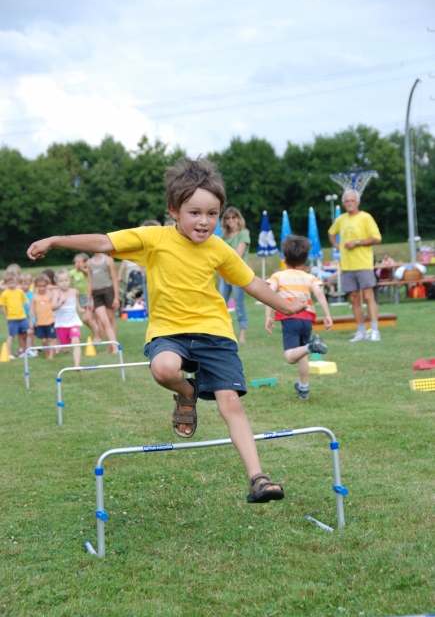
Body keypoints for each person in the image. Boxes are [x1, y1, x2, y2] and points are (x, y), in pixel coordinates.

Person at [27, 156, 309, 504]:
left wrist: (285, 306)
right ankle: (187, 394)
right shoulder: (152, 239)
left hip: (214, 333)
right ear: (174, 210)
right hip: (169, 331)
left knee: (230, 402)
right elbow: (102, 242)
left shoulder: (219, 248)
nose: (204, 222)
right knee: (163, 369)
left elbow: (250, 282)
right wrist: (55, 240)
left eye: (212, 214)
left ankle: (257, 478)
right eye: (195, 212)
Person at [266, 236, 333, 400]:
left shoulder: (279, 276)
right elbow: (319, 293)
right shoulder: (310, 277)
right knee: (301, 353)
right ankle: (304, 388)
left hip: (290, 317)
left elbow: (268, 293)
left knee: (290, 356)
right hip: (307, 319)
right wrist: (327, 315)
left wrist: (268, 315)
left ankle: (312, 346)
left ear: (285, 257)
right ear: (305, 259)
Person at [328, 189, 382, 342]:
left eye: (352, 200)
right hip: (347, 265)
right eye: (347, 201)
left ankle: (375, 330)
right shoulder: (341, 219)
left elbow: (377, 238)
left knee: (368, 296)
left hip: (363, 263)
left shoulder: (366, 217)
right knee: (354, 298)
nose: (350, 203)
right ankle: (361, 331)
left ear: (358, 202)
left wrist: (357, 243)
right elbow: (331, 233)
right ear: (344, 203)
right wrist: (337, 246)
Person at [219, 207, 250, 343]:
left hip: (238, 275)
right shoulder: (223, 236)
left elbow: (238, 255)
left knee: (239, 305)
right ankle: (222, 334)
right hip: (224, 275)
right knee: (220, 304)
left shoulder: (243, 233)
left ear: (238, 219)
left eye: (233, 217)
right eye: (228, 218)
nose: (231, 220)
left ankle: (242, 336)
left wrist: (223, 256)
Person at [51, 269, 85, 368]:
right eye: (61, 281)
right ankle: (64, 348)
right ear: (57, 283)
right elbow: (52, 307)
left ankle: (77, 365)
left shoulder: (74, 292)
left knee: (76, 341)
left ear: (69, 280)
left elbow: (77, 304)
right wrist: (61, 302)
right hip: (61, 324)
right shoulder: (56, 293)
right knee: (65, 349)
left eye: (66, 280)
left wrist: (80, 309)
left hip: (73, 322)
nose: (64, 283)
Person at [87, 252, 119, 353]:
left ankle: (111, 346)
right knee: (103, 320)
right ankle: (115, 348)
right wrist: (89, 299)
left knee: (110, 320)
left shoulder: (109, 260)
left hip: (108, 291)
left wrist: (116, 297)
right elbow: (90, 282)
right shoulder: (89, 262)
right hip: (96, 293)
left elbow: (114, 279)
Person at [69, 253, 101, 341]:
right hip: (82, 298)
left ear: (85, 263)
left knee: (87, 318)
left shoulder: (88, 270)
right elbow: (66, 277)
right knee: (93, 318)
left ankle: (96, 336)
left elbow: (90, 275)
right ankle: (98, 334)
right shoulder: (73, 272)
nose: (77, 264)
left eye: (79, 262)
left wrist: (83, 269)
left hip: (90, 296)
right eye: (76, 262)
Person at [0, 271, 29, 358]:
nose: (12, 284)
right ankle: (8, 353)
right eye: (10, 283)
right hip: (12, 318)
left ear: (16, 282)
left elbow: (25, 302)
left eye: (13, 282)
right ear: (6, 283)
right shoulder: (5, 294)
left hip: (22, 317)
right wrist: (7, 316)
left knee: (24, 334)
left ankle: (23, 351)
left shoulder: (20, 292)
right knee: (11, 335)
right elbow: (3, 306)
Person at [28, 274, 56, 359]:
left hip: (50, 321)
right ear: (36, 286)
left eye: (44, 286)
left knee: (50, 339)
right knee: (44, 341)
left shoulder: (50, 295)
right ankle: (46, 354)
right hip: (40, 323)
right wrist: (31, 322)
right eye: (39, 286)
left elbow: (54, 306)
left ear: (47, 285)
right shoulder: (34, 297)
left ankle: (51, 356)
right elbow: (32, 310)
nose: (42, 288)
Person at [20, 272, 37, 354]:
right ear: (20, 284)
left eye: (28, 284)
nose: (26, 286)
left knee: (31, 333)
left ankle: (32, 348)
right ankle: (25, 348)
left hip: (31, 317)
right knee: (24, 334)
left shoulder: (33, 295)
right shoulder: (19, 294)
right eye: (24, 284)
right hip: (22, 317)